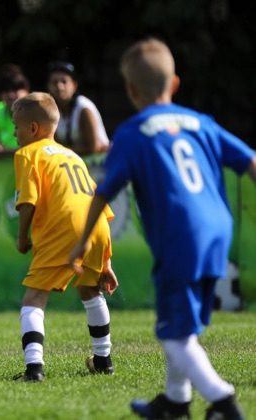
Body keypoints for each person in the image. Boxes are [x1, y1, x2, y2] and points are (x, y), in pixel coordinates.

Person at [69, 38, 255, 419]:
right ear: (174, 85)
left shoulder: (134, 132)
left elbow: (103, 193)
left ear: (131, 90)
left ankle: (223, 402)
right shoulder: (201, 122)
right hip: (218, 229)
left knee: (173, 334)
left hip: (180, 233)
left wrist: (83, 241)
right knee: (184, 325)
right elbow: (250, 160)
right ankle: (175, 401)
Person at [11, 92, 117, 382]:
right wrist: (105, 260)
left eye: (16, 126)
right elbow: (96, 200)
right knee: (90, 290)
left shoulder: (27, 154)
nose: (13, 133)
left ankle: (34, 368)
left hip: (65, 228)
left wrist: (22, 237)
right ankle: (103, 360)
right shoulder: (72, 155)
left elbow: (27, 200)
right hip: (98, 226)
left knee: (34, 296)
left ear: (33, 129)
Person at [46, 61, 110, 156]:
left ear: (74, 86)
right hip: (74, 166)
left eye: (64, 81)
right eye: (55, 82)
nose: (59, 86)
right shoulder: (53, 111)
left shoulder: (84, 108)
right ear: (48, 86)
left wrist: (59, 151)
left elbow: (93, 147)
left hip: (98, 167)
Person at [0, 64, 30, 159]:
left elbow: (36, 149)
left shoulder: (36, 110)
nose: (10, 95)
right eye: (5, 90)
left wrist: (6, 151)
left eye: (15, 89)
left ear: (27, 91)